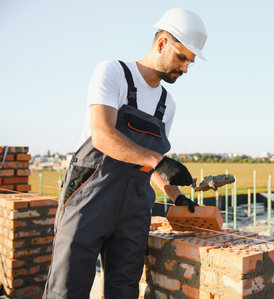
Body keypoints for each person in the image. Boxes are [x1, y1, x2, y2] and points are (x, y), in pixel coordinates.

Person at [43, 8, 207, 299]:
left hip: (134, 207)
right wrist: (159, 160)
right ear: (161, 43)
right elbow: (103, 135)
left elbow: (151, 160)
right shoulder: (113, 72)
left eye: (190, 63)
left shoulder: (168, 104)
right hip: (90, 196)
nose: (184, 69)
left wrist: (175, 195)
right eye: (182, 58)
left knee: (123, 291)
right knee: (66, 289)